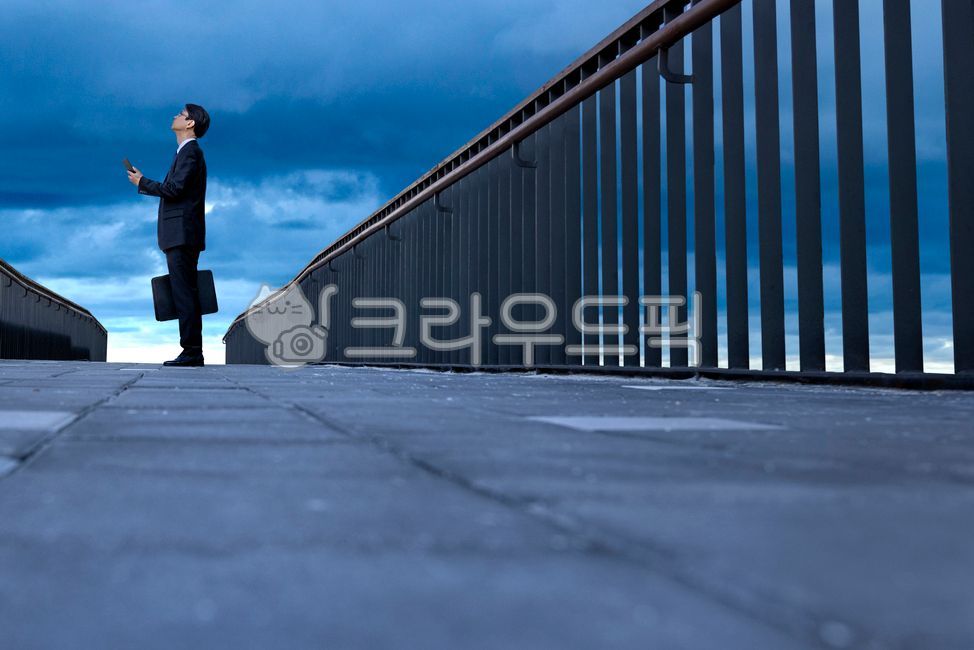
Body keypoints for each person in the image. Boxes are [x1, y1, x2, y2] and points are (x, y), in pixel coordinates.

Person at [127, 104, 210, 367]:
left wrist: (143, 182)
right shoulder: (184, 153)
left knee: (184, 292)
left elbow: (174, 189)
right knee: (183, 291)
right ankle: (191, 350)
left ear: (190, 124)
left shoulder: (191, 153)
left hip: (182, 234)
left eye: (181, 114)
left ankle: (192, 351)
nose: (175, 115)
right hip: (181, 234)